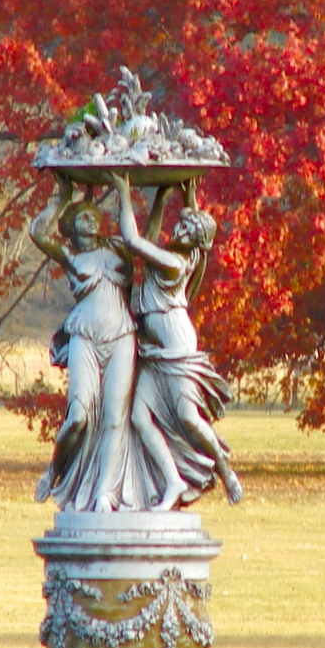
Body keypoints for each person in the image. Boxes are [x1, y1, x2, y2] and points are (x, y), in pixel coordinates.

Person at [107, 172, 243, 510]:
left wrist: (124, 191)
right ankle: (173, 482)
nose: (179, 231)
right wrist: (172, 198)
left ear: (195, 242)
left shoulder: (174, 263)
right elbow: (163, 235)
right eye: (181, 225)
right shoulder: (184, 251)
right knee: (139, 418)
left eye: (187, 231)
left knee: (187, 417)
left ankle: (224, 469)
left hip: (176, 348)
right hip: (154, 354)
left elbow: (135, 241)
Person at [28, 177, 137, 511]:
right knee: (79, 415)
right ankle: (54, 470)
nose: (91, 220)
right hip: (85, 338)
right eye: (82, 217)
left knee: (116, 418)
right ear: (71, 228)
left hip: (121, 336)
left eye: (93, 215)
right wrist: (62, 196)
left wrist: (125, 193)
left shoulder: (118, 249)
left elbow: (144, 245)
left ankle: (106, 492)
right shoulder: (70, 256)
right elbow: (37, 233)